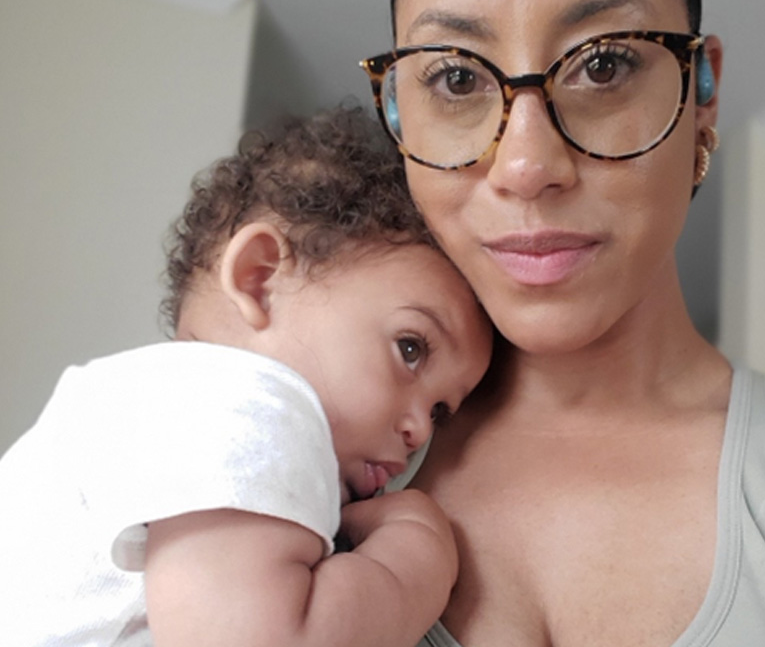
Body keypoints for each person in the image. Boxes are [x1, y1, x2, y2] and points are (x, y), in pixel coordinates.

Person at [357, 0, 765, 646]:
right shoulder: (304, 472)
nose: (526, 167)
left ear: (701, 91)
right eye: (456, 78)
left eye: (602, 65)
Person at [0, 107, 492, 646]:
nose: (420, 430)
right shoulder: (242, 404)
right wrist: (415, 555)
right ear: (259, 279)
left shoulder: (157, 408)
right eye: (411, 348)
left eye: (442, 411)